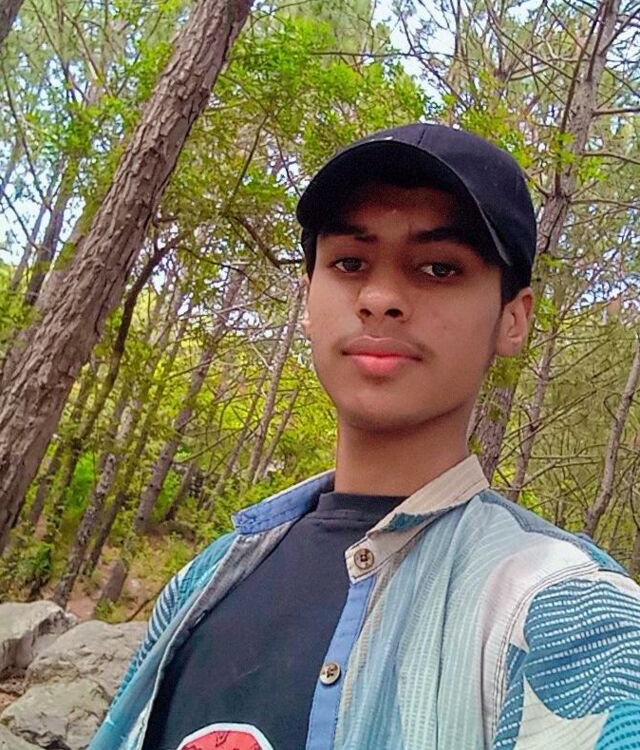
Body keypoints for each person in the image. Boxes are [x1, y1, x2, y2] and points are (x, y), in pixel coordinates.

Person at [91, 124, 640, 750]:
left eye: (439, 267)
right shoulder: (203, 581)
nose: (379, 299)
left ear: (513, 320)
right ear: (307, 299)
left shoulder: (565, 613)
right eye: (350, 263)